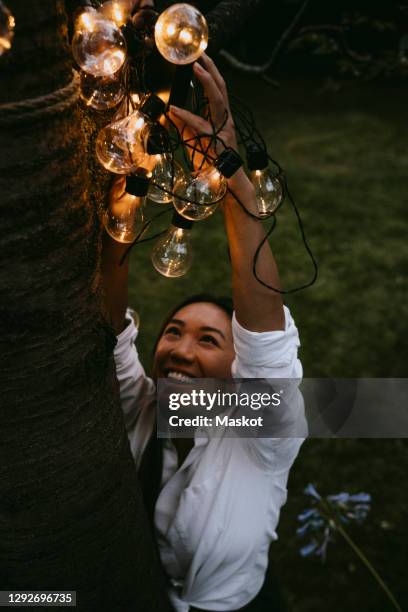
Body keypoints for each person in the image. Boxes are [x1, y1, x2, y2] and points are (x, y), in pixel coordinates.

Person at [101, 54, 306, 612]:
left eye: (208, 340)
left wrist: (230, 170)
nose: (179, 352)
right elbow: (110, 333)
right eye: (172, 332)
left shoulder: (263, 434)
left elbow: (266, 341)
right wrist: (123, 215)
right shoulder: (145, 408)